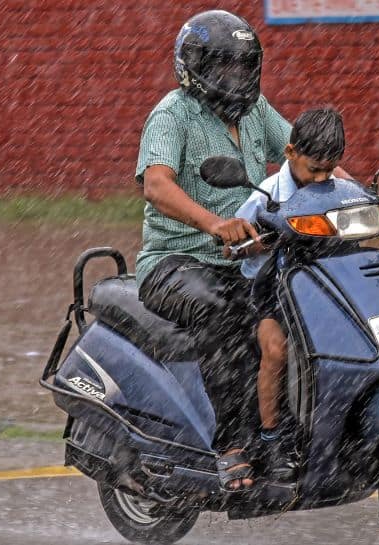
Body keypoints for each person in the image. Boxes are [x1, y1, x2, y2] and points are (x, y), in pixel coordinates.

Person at [133, 9, 290, 492]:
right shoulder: (172, 114)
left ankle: (284, 433)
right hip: (175, 262)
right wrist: (213, 223)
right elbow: (157, 185)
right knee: (226, 314)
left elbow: (301, 154)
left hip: (243, 258)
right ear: (193, 66)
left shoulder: (255, 109)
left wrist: (356, 196)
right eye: (224, 66)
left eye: (245, 66)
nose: (236, 77)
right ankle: (233, 445)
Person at [234, 108, 346, 482]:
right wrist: (253, 242)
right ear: (290, 152)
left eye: (329, 171)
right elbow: (231, 247)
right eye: (314, 169)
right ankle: (270, 437)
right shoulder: (265, 196)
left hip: (318, 289)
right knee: (276, 349)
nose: (321, 178)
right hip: (271, 291)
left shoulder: (333, 188)